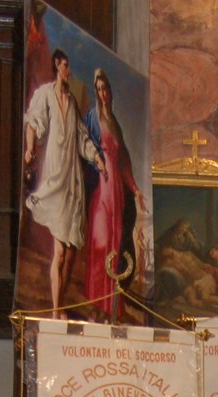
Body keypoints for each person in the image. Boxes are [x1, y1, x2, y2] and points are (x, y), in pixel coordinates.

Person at [24, 49, 104, 315]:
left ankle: (60, 304)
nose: (69, 70)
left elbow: (82, 138)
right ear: (57, 66)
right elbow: (33, 123)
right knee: (59, 251)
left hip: (73, 180)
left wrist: (98, 159)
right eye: (66, 65)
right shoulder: (45, 95)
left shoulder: (71, 101)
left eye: (69, 65)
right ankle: (56, 309)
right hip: (55, 175)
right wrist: (29, 148)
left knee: (70, 250)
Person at [83, 69, 142, 320]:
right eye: (98, 89)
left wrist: (136, 189)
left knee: (116, 244)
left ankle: (111, 305)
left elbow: (124, 160)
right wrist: (97, 164)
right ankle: (96, 303)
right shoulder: (92, 119)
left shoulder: (114, 122)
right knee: (100, 241)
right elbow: (84, 149)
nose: (102, 93)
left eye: (105, 88)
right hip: (101, 188)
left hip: (117, 189)